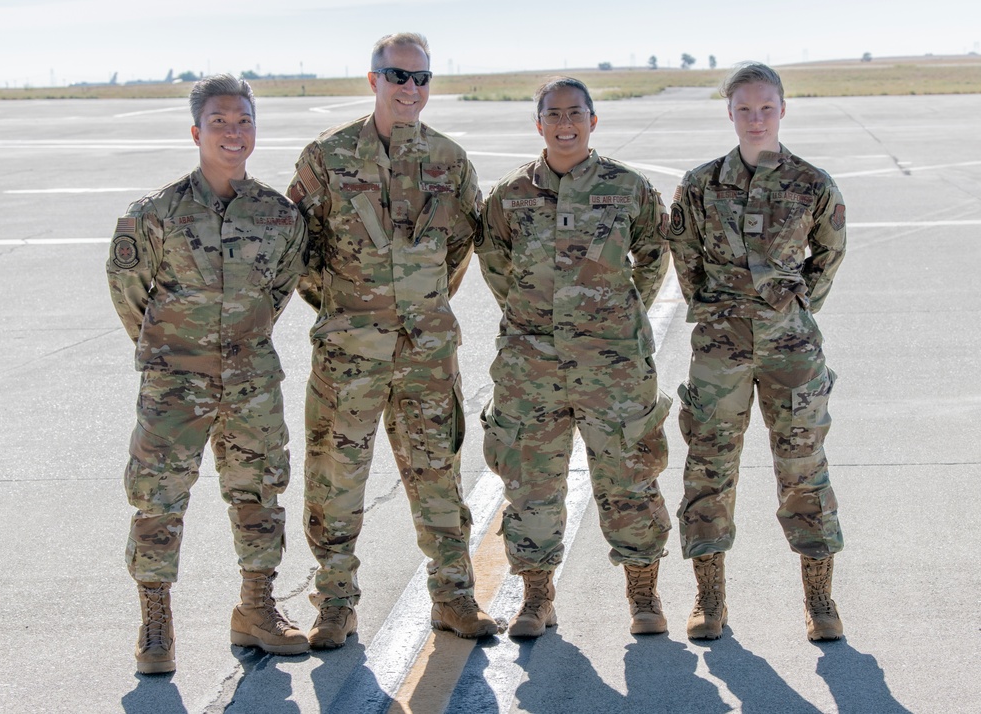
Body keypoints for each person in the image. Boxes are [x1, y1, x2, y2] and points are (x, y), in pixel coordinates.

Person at [286, 32, 497, 649]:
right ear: (372, 78)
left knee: (438, 474)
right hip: (349, 355)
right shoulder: (326, 158)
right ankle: (335, 604)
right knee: (335, 477)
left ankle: (454, 596)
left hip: (427, 355)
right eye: (398, 76)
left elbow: (459, 252)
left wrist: (420, 308)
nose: (410, 89)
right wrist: (349, 311)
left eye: (421, 78)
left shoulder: (450, 161)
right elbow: (300, 254)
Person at [107, 73, 310, 674]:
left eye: (243, 121)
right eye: (219, 121)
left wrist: (236, 345)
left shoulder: (279, 216)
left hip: (251, 381)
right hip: (175, 385)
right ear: (197, 131)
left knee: (259, 495)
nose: (233, 131)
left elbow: (280, 290)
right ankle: (155, 624)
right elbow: (130, 295)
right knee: (158, 502)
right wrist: (177, 350)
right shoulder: (154, 214)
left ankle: (256, 609)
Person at [475, 77, 673, 638]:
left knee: (629, 479)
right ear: (539, 124)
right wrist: (536, 320)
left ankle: (643, 593)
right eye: (553, 114)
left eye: (575, 113)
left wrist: (615, 318)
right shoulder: (509, 195)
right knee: (531, 485)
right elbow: (495, 263)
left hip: (613, 367)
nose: (565, 123)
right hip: (530, 367)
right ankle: (536, 598)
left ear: (592, 120)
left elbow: (654, 255)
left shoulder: (626, 187)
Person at [667, 62, 847, 641]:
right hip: (720, 348)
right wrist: (718, 308)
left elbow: (830, 250)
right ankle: (709, 598)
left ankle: (820, 601)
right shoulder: (699, 185)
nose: (755, 118)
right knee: (709, 465)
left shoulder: (812, 183)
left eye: (766, 107)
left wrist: (795, 307)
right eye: (744, 108)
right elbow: (684, 255)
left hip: (791, 347)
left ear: (782, 109)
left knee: (803, 468)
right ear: (730, 113)